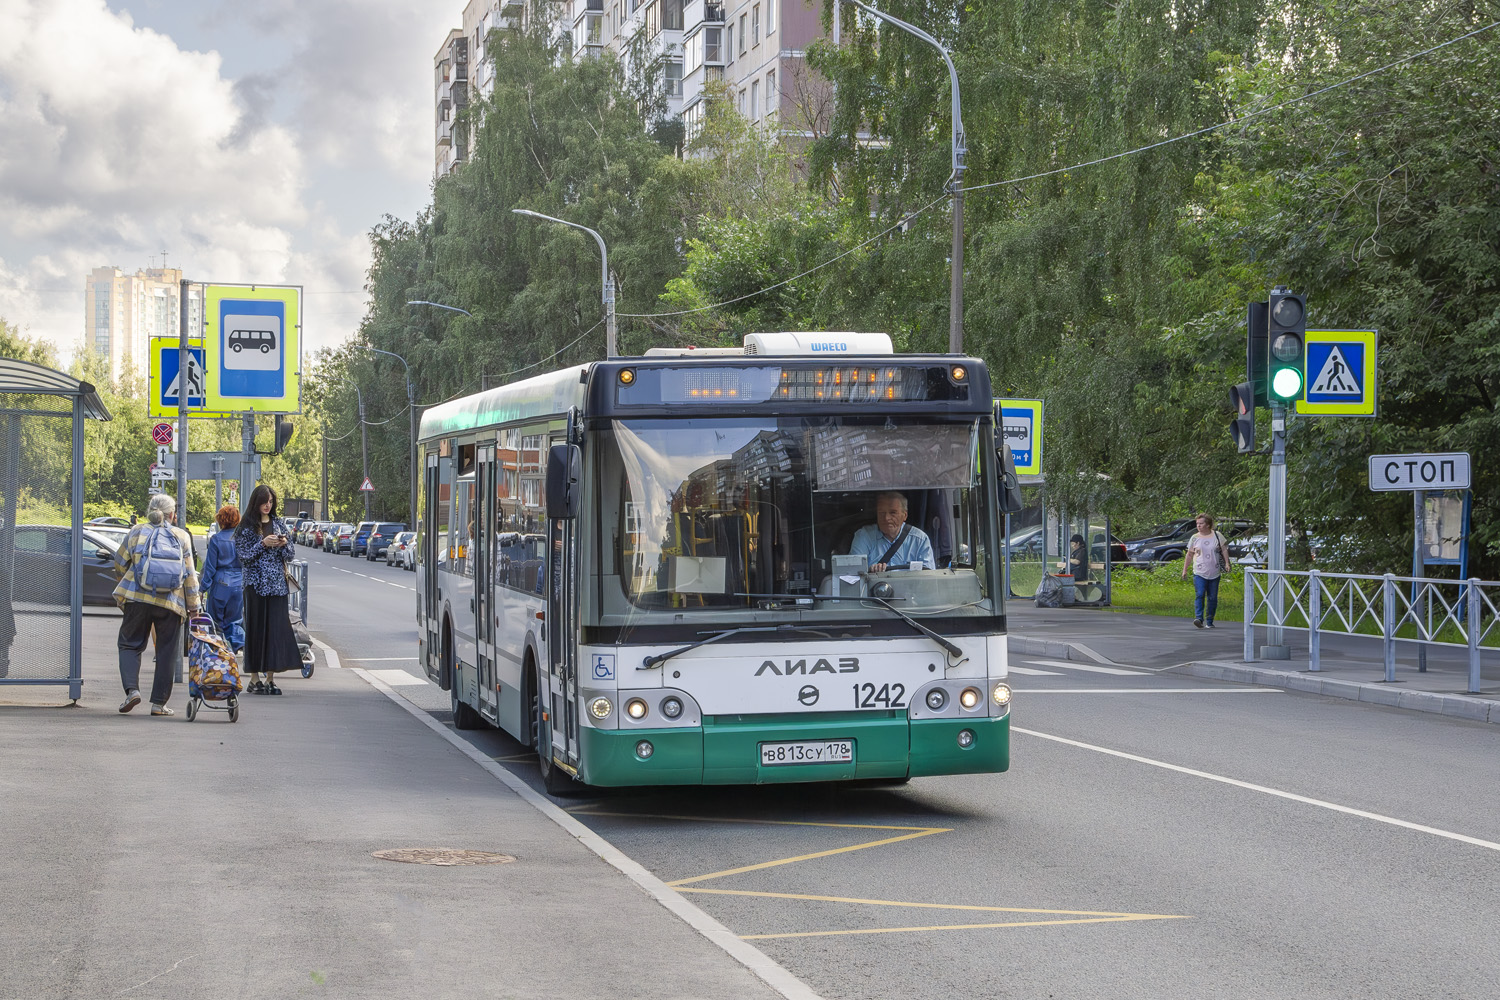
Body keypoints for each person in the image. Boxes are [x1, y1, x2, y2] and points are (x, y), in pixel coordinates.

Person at [112, 493, 199, 716]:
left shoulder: (136, 531)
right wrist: (194, 607)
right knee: (167, 652)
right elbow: (189, 575)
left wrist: (131, 579)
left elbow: (120, 562)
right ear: (173, 515)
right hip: (171, 603)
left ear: (149, 510)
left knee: (130, 644)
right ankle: (159, 704)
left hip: (137, 599)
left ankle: (132, 691)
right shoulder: (182, 536)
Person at [234, 484, 300, 695]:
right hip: (254, 586)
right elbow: (243, 557)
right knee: (255, 630)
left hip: (277, 586)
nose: (268, 505)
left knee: (275, 632)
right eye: (264, 501)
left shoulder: (279, 524)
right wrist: (262, 544)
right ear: (256, 502)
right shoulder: (245, 527)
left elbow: (290, 554)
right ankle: (254, 678)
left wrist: (282, 544)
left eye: (271, 502)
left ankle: (270, 678)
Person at [846, 492, 935, 572]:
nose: (886, 518)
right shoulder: (864, 536)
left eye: (893, 513)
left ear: (904, 515)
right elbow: (852, 574)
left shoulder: (920, 540)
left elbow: (929, 576)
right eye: (882, 513)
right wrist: (869, 572)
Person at [199, 505, 245, 652]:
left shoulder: (216, 539)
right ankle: (243, 645)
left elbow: (210, 568)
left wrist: (202, 589)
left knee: (215, 623)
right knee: (234, 622)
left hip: (220, 584)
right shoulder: (242, 539)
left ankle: (218, 654)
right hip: (239, 584)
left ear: (221, 520)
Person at [1182, 513, 1232, 629]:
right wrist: (1185, 570)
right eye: (1197, 524)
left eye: (1201, 523)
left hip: (1214, 571)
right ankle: (1199, 618)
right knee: (1199, 594)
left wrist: (1227, 563)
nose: (1198, 526)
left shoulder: (1217, 535)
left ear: (1208, 524)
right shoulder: (1195, 537)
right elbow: (1189, 554)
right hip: (1199, 571)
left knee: (1212, 597)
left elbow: (1224, 550)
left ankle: (1210, 621)